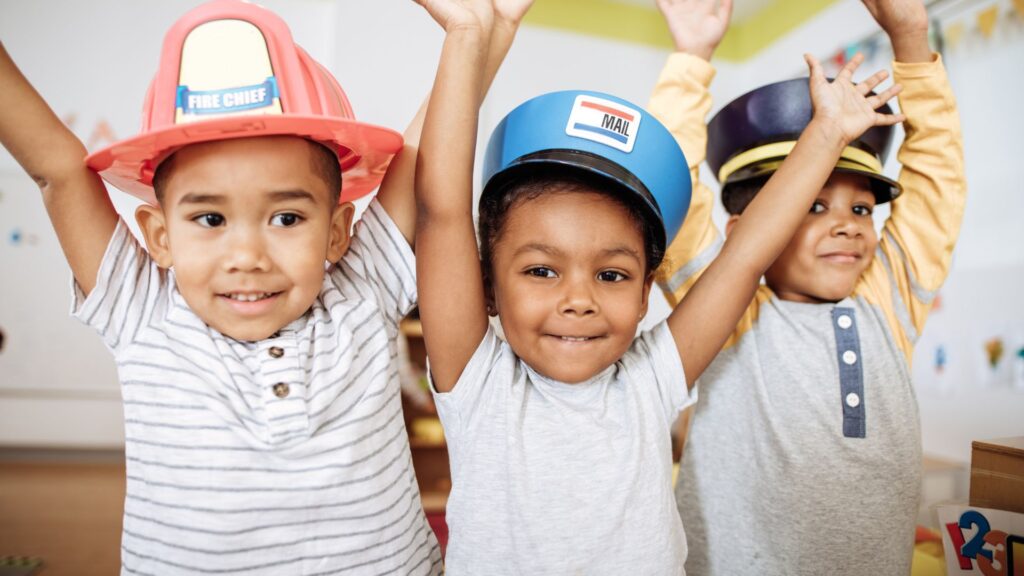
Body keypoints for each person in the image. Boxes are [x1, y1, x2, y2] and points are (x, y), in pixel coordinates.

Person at [0, 0, 531, 572]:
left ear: (335, 231)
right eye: (210, 219)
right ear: (158, 235)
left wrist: (483, 31)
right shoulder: (142, 310)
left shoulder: (363, 290)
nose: (248, 257)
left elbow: (425, 157)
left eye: (286, 218)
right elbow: (56, 167)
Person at [411, 0, 905, 572]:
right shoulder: (478, 385)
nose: (579, 299)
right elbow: (440, 212)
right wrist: (468, 35)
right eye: (541, 270)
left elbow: (744, 258)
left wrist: (825, 136)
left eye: (612, 274)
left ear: (646, 292)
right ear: (487, 289)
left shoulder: (650, 381)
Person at [647, 0, 966, 574]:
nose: (847, 223)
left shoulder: (885, 300)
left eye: (863, 209)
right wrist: (691, 58)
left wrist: (911, 39)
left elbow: (936, 176)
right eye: (813, 204)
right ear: (746, 230)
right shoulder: (727, 310)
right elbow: (666, 192)